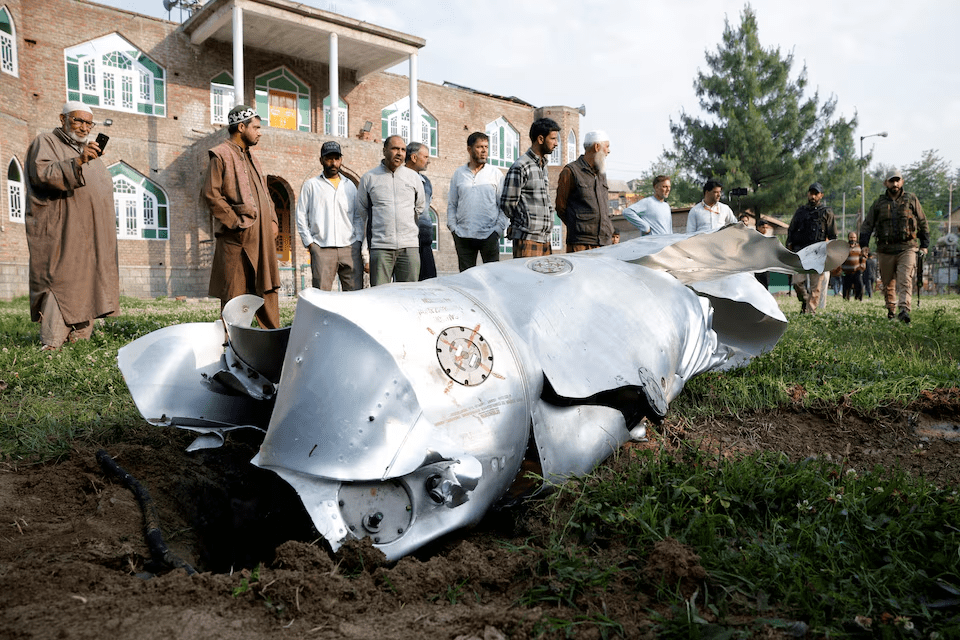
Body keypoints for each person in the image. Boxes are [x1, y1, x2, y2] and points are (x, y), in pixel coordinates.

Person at [24, 101, 120, 350]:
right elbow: (42, 173)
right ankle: (52, 342)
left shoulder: (89, 150)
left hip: (92, 234)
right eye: (78, 120)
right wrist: (77, 162)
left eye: (89, 123)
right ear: (63, 118)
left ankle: (79, 340)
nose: (84, 127)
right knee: (62, 281)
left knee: (89, 280)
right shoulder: (46, 142)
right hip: (62, 230)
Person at [203, 105, 281, 328]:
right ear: (241, 127)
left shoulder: (253, 159)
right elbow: (211, 194)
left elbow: (265, 194)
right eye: (256, 127)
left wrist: (273, 220)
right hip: (236, 240)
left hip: (262, 240)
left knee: (267, 289)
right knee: (235, 295)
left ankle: (272, 345)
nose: (260, 132)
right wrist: (236, 222)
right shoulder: (221, 154)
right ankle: (235, 350)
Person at [860, 168, 929, 323]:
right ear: (886, 183)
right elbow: (867, 225)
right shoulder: (878, 203)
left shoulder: (911, 199)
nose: (895, 183)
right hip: (885, 249)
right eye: (892, 180)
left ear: (902, 182)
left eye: (898, 180)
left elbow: (922, 221)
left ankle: (904, 309)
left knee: (905, 279)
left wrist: (924, 244)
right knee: (887, 283)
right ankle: (891, 310)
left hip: (908, 247)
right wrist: (864, 244)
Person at [357, 135, 425, 285]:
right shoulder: (369, 178)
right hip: (381, 247)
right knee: (380, 296)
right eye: (395, 148)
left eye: (403, 149)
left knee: (409, 295)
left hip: (409, 247)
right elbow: (362, 210)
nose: (399, 153)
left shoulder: (413, 177)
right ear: (384, 150)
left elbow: (420, 206)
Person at [295, 141, 362, 292]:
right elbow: (301, 215)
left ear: (341, 160)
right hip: (322, 247)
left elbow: (357, 216)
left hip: (349, 248)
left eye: (336, 158)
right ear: (321, 160)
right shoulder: (311, 185)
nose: (333, 163)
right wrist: (311, 244)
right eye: (329, 158)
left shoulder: (349, 186)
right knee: (322, 296)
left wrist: (357, 240)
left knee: (354, 295)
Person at [500, 117, 561, 257]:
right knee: (527, 279)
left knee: (546, 279)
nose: (556, 143)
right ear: (540, 139)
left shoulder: (543, 166)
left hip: (545, 239)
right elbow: (507, 204)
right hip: (527, 239)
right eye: (553, 139)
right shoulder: (521, 166)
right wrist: (524, 222)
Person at [446, 131, 506, 271]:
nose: (484, 151)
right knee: (466, 279)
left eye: (486, 147)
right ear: (469, 149)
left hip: (489, 235)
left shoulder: (495, 174)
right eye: (479, 147)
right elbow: (452, 204)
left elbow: (503, 206)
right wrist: (453, 227)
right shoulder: (459, 174)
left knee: (493, 277)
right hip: (463, 235)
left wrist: (498, 229)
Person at [555, 130, 613, 252]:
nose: (608, 151)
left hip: (604, 243)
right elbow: (561, 207)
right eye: (607, 146)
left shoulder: (601, 174)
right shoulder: (571, 171)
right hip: (581, 243)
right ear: (597, 147)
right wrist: (577, 226)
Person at [786, 182, 837, 314]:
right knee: (797, 282)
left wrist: (832, 255)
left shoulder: (827, 212)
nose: (813, 196)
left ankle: (810, 311)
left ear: (821, 195)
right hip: (801, 252)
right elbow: (791, 231)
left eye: (816, 194)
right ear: (808, 194)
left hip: (818, 253)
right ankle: (804, 301)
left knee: (816, 287)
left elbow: (832, 236)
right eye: (811, 193)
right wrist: (789, 248)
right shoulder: (800, 211)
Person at [404, 141, 437, 280]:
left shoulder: (426, 181)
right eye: (425, 157)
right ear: (413, 157)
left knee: (429, 280)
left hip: (424, 240)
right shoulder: (400, 178)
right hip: (406, 241)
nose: (428, 161)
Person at [840, 231, 866, 301]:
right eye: (851, 237)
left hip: (857, 270)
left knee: (859, 286)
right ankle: (846, 300)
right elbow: (840, 258)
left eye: (854, 237)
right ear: (848, 238)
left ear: (856, 238)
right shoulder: (844, 247)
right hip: (846, 271)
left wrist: (862, 266)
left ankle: (858, 300)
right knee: (846, 288)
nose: (853, 239)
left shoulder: (859, 247)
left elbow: (863, 257)